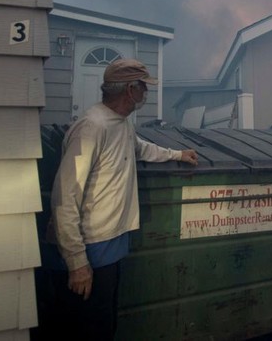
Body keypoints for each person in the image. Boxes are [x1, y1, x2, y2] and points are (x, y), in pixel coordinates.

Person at [43, 58, 197, 340]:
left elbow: (139, 148)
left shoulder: (121, 124)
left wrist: (177, 155)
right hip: (86, 251)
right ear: (130, 90)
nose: (145, 93)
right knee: (85, 330)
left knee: (104, 325)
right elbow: (64, 197)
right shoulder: (92, 127)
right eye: (143, 87)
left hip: (108, 248)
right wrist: (77, 263)